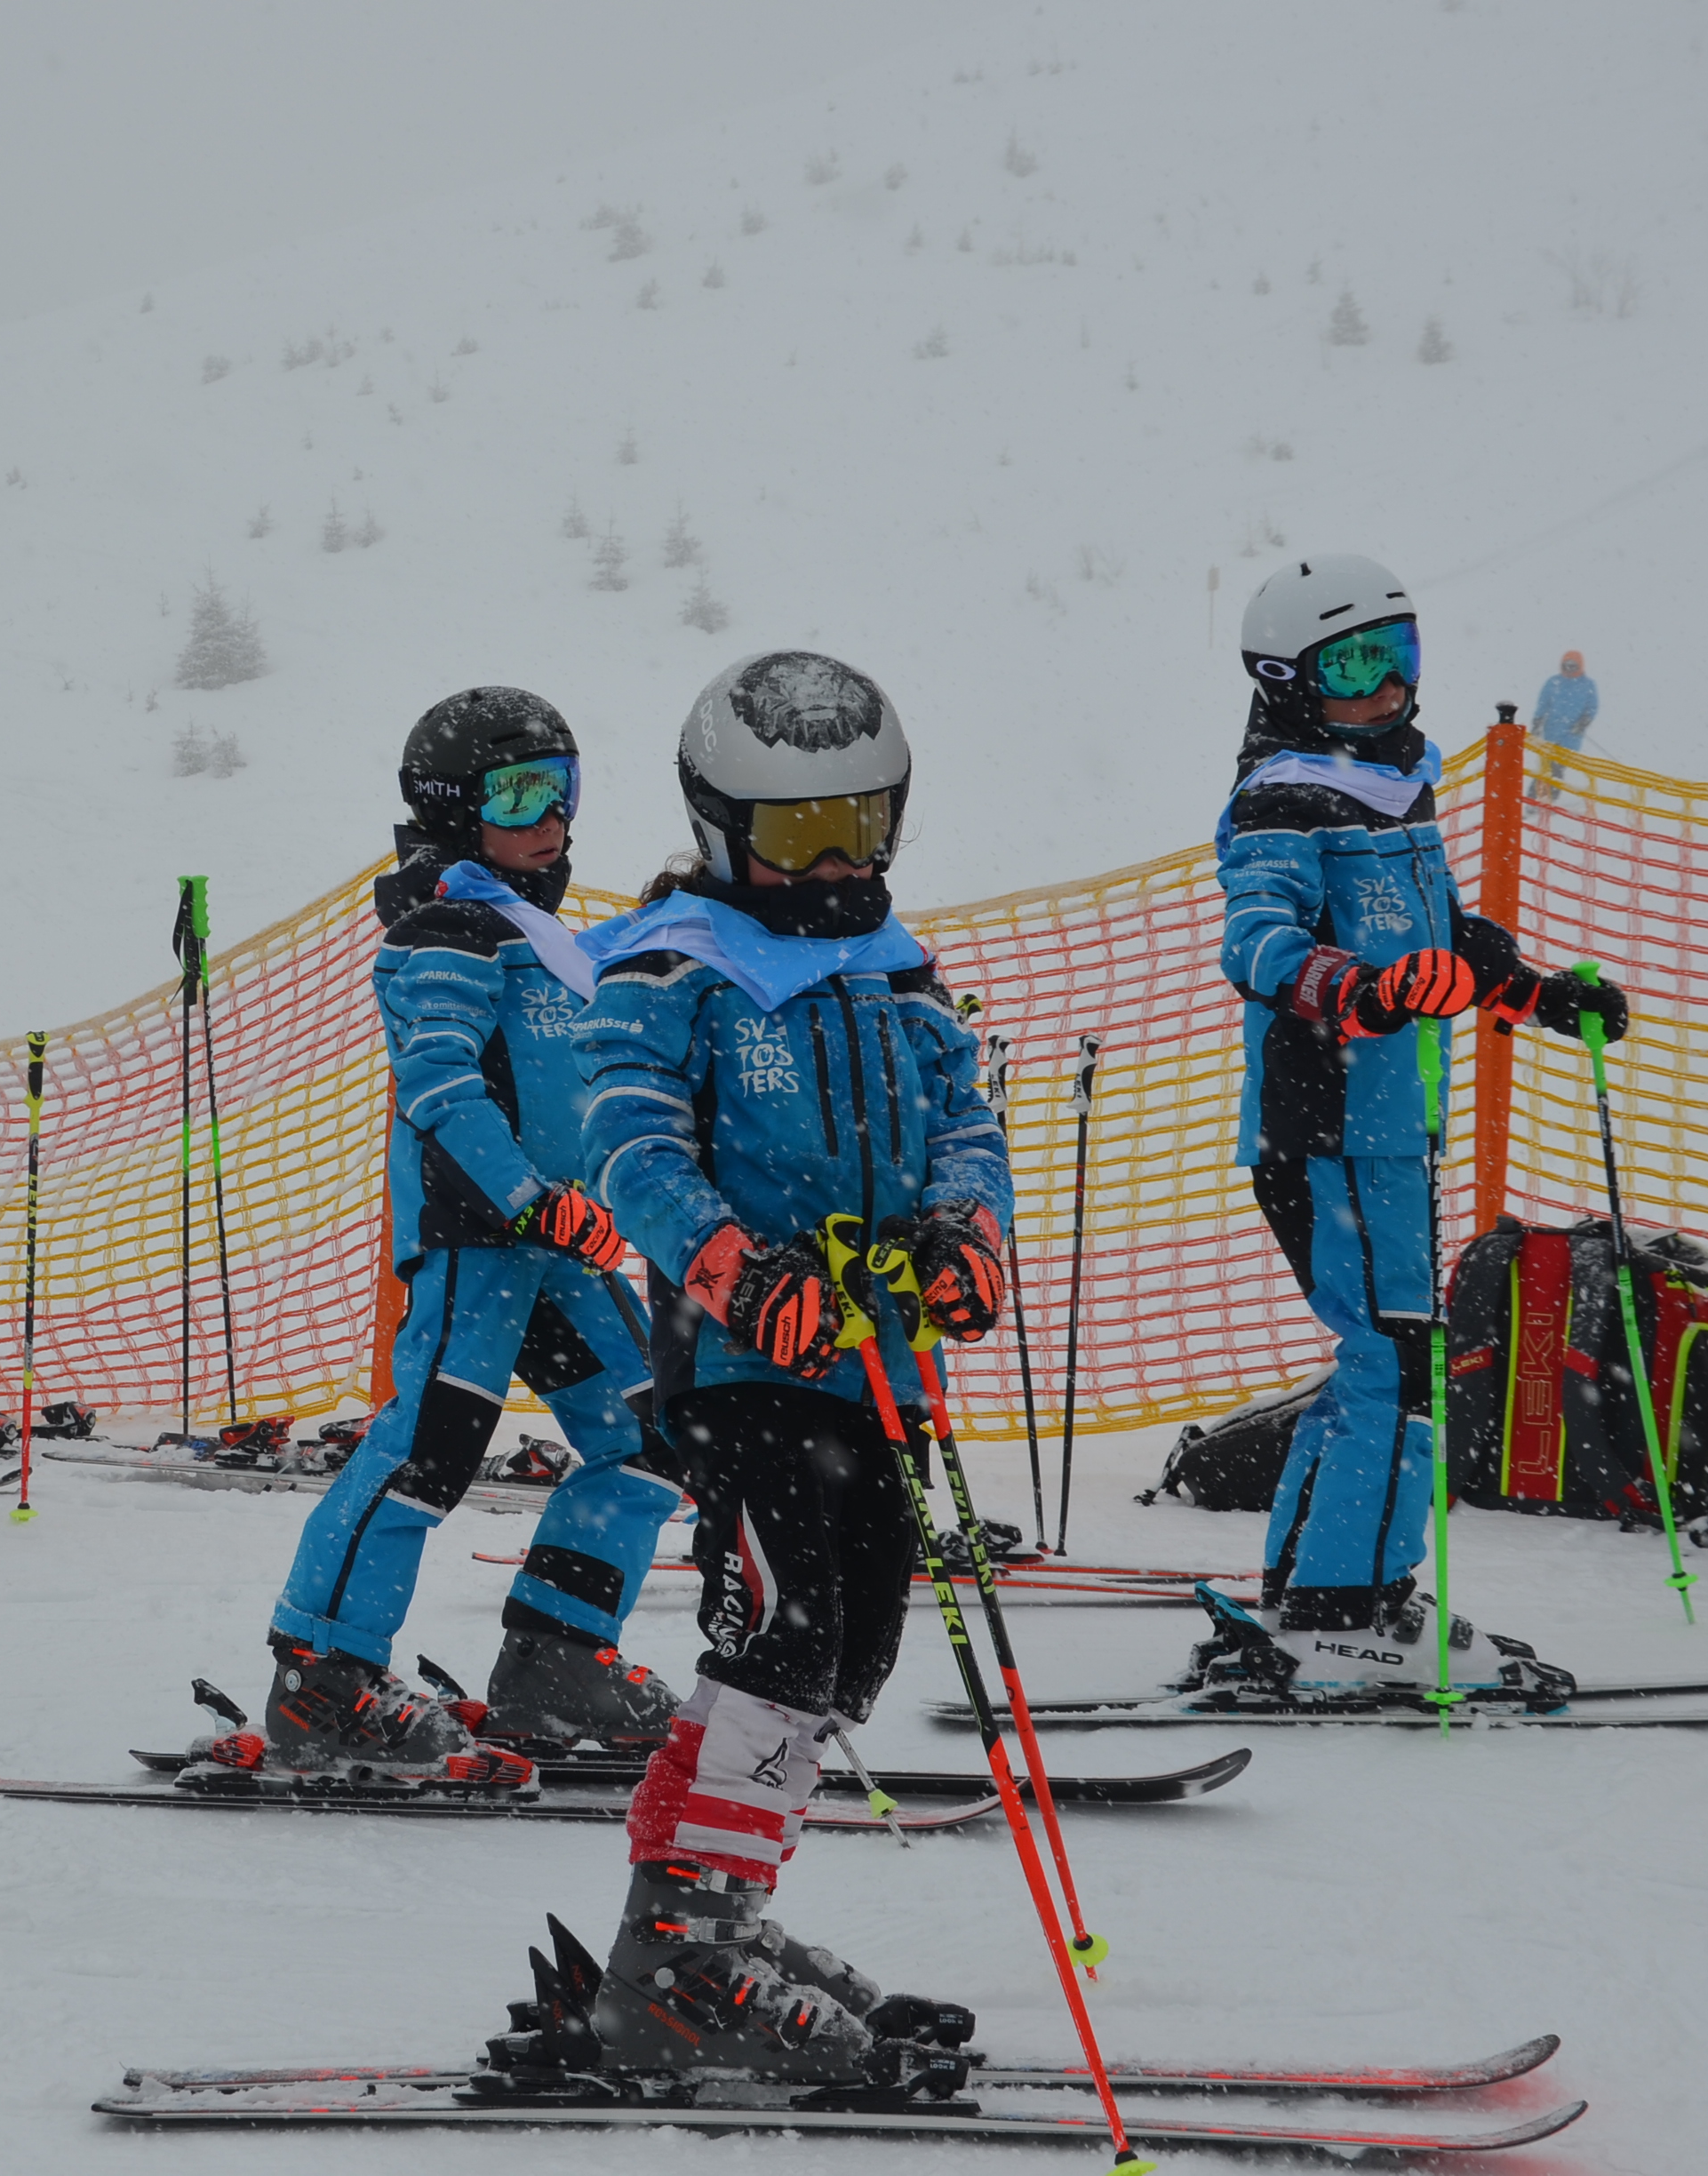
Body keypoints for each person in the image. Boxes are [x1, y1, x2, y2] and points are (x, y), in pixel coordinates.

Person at [572, 651, 1010, 2081]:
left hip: (875, 1370)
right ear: (720, 827)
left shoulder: (899, 975)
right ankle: (680, 1959)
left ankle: (721, 1918)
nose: (834, 866)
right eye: (798, 835)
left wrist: (964, 1231)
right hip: (745, 1370)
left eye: (859, 829)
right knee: (779, 1636)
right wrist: (733, 1268)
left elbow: (966, 1120)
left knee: (851, 1648)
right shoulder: (674, 967)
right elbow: (628, 1142)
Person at [1209, 557, 1625, 1691]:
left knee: (1381, 1359)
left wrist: (1537, 993)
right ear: (1289, 681)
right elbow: (1258, 939)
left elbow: (1443, 933)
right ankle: (1347, 1607)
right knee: (1398, 1362)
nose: (1385, 685)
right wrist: (1357, 990)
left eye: (1398, 655)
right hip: (1331, 1125)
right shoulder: (1284, 798)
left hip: (1395, 1127)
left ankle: (1318, 1591)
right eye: (1352, 666)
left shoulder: (1398, 780)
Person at [261, 688, 690, 1776]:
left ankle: (558, 1654)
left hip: (564, 1247)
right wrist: (526, 1195)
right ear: (456, 808)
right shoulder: (444, 931)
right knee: (431, 1446)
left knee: (654, 1437)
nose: (550, 817)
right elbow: (440, 1087)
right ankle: (324, 1674)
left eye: (563, 788)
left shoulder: (543, 938)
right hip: (479, 1239)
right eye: (517, 793)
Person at [1527, 647, 1598, 802]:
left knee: (1557, 769)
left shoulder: (1587, 685)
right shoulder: (1553, 683)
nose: (1569, 669)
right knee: (1545, 767)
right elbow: (1543, 704)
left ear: (1580, 666)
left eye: (1573, 666)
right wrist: (1537, 722)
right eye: (1567, 665)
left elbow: (1592, 708)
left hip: (1570, 737)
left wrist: (1582, 723)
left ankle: (1548, 800)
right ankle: (1532, 800)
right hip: (1551, 733)